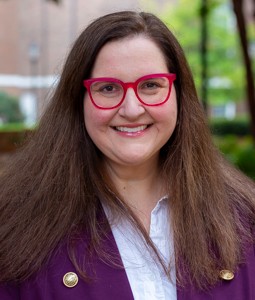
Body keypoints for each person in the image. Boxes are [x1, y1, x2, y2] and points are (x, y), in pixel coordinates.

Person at [0, 10, 255, 300]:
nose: (132, 109)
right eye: (108, 88)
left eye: (150, 85)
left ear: (178, 94)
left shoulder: (246, 221)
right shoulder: (15, 228)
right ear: (77, 101)